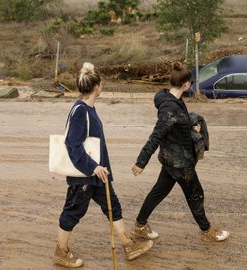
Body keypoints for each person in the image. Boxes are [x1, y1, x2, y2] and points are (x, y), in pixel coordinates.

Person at [53, 63, 153, 268]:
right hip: (85, 175)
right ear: (97, 86)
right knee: (73, 211)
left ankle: (128, 245)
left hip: (99, 174)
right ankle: (61, 252)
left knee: (113, 207)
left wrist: (100, 168)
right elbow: (72, 145)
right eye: (101, 82)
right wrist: (93, 167)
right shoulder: (81, 111)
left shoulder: (88, 108)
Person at [130, 61, 230, 242]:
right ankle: (207, 230)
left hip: (171, 159)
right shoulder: (170, 109)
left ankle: (140, 225)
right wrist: (140, 162)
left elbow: (177, 125)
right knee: (195, 194)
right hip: (180, 162)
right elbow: (156, 136)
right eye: (190, 82)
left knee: (158, 192)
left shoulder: (172, 99)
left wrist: (192, 127)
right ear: (186, 84)